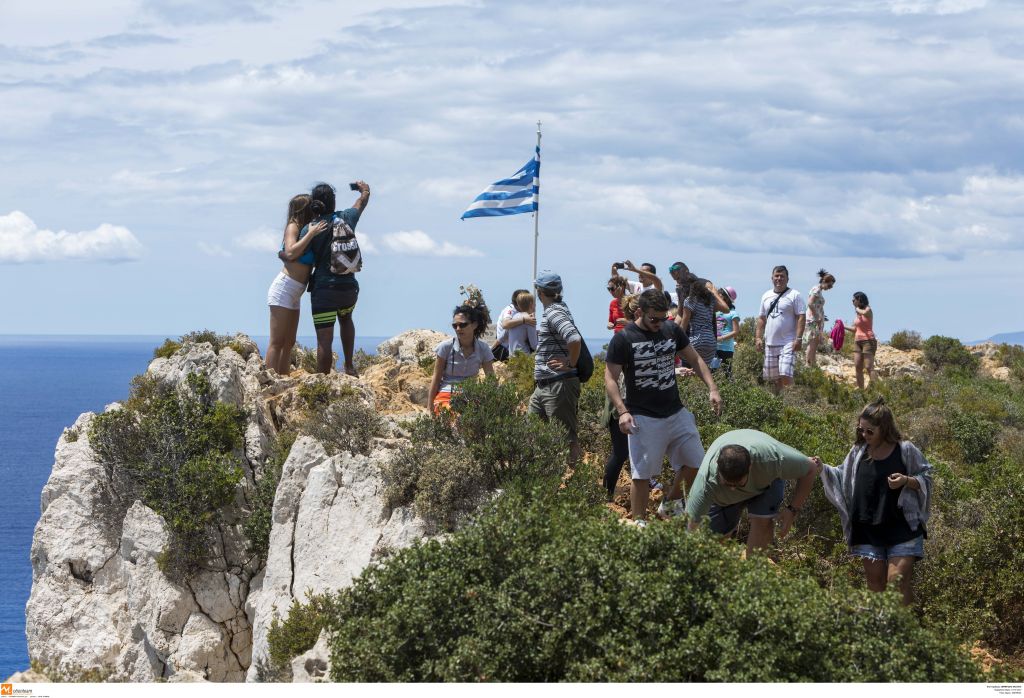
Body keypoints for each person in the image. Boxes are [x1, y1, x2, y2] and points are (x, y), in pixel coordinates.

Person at [605, 289, 722, 526]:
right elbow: (609, 377)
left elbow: (696, 359)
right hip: (643, 415)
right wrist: (622, 411)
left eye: (663, 318)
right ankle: (639, 524)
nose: (659, 323)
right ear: (639, 312)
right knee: (642, 474)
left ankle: (668, 507)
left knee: (696, 463)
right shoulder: (624, 338)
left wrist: (712, 388)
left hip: (676, 411)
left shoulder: (672, 330)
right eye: (654, 319)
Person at [819, 399, 932, 605]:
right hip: (867, 527)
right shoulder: (858, 452)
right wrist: (821, 468)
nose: (864, 435)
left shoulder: (905, 450)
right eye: (861, 430)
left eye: (870, 431)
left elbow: (927, 475)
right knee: (875, 583)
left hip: (902, 527)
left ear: (884, 429)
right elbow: (841, 475)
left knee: (896, 582)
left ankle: (904, 631)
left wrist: (907, 481)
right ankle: (881, 631)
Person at [686, 429, 821, 557]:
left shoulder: (772, 459)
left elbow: (811, 469)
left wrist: (792, 510)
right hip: (721, 497)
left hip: (767, 481)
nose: (733, 489)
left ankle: (755, 573)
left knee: (763, 522)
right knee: (714, 541)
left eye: (738, 483)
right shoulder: (705, 482)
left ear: (750, 466)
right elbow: (691, 527)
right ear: (718, 466)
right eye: (728, 484)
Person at [306, 181, 370, 376]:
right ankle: (349, 367)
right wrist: (364, 190)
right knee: (346, 319)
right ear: (333, 202)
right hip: (348, 289)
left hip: (324, 291)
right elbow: (361, 202)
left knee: (324, 338)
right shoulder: (346, 218)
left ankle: (323, 384)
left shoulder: (310, 228)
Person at [265, 195, 328, 374]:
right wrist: (311, 234)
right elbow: (291, 252)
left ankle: (283, 378)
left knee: (289, 342)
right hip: (284, 288)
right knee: (277, 341)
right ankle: (268, 381)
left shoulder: (306, 229)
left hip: (295, 292)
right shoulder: (293, 227)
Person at [529, 272, 583, 464]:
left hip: (558, 385)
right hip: (546, 385)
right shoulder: (558, 308)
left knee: (567, 440)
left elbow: (574, 338)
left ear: (540, 292)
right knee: (531, 434)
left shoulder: (554, 312)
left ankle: (577, 485)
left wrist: (569, 362)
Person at [428, 301, 495, 414]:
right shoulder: (445, 347)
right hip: (446, 394)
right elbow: (436, 377)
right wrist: (429, 406)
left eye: (463, 325)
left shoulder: (484, 349)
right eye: (455, 325)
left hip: (470, 395)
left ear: (474, 325)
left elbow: (491, 380)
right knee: (452, 417)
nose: (458, 329)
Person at [755, 265, 806, 393]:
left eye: (782, 276)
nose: (779, 278)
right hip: (770, 342)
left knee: (785, 374)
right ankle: (779, 405)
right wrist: (758, 338)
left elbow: (801, 316)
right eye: (776, 276)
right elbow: (761, 318)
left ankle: (791, 402)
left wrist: (799, 338)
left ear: (787, 279)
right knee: (774, 379)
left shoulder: (794, 295)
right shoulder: (766, 296)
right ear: (772, 278)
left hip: (787, 342)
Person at [678, 273, 719, 366]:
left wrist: (676, 342)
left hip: (697, 340)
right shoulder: (710, 301)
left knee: (679, 355)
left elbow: (683, 325)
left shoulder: (689, 301)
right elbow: (725, 309)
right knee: (703, 369)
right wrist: (714, 292)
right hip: (711, 342)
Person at [845, 291, 877, 390]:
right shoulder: (857, 314)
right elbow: (855, 329)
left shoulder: (868, 310)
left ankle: (875, 388)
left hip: (868, 341)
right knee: (858, 366)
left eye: (854, 299)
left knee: (868, 367)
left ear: (859, 299)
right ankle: (861, 390)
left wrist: (857, 308)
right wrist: (843, 326)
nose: (852, 301)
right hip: (857, 342)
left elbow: (864, 312)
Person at [804, 269, 836, 366]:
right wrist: (817, 315)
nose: (830, 288)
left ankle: (812, 364)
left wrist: (821, 315)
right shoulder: (816, 289)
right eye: (829, 285)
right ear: (823, 282)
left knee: (815, 343)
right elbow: (810, 303)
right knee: (812, 343)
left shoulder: (818, 290)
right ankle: (808, 364)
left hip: (816, 320)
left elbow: (815, 305)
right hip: (813, 320)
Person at [495, 289, 538, 358]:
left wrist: (490, 350)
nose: (536, 304)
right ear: (531, 304)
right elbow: (534, 345)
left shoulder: (514, 317)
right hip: (524, 358)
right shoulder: (529, 320)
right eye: (534, 303)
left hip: (512, 357)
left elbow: (501, 338)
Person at [715, 286, 740, 377]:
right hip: (715, 347)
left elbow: (736, 331)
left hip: (727, 348)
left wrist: (721, 338)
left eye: (719, 295)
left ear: (725, 297)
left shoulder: (733, 313)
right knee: (713, 373)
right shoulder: (716, 311)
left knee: (727, 374)